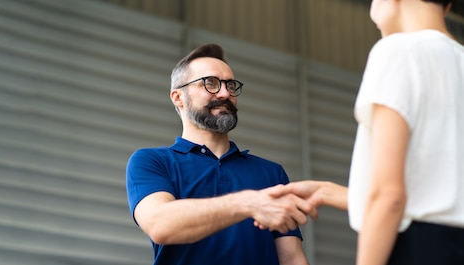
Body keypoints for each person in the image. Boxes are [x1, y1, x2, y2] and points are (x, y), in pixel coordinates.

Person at [267, 0, 464, 264]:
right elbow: (437, 189)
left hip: (419, 249)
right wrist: (326, 191)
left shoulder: (398, 50)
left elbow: (389, 196)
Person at [125, 43, 316, 265]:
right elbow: (160, 225)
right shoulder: (152, 161)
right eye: (211, 84)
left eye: (230, 85)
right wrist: (248, 202)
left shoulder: (271, 173)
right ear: (178, 97)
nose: (225, 93)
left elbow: (291, 258)